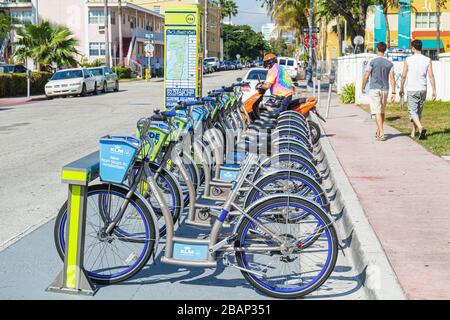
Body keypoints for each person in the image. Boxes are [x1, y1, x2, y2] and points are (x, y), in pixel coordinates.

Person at [399, 39, 437, 140]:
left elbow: (403, 76)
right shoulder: (427, 59)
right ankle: (413, 132)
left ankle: (420, 127)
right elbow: (431, 75)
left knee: (412, 112)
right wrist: (434, 90)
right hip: (423, 89)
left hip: (412, 89)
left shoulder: (408, 59)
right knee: (418, 112)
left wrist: (401, 88)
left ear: (413, 48)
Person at [361, 42, 396, 141]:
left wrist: (363, 87)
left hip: (374, 89)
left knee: (377, 111)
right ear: (384, 50)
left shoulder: (372, 61)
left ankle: (381, 132)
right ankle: (378, 130)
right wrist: (393, 92)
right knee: (382, 111)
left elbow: (366, 75)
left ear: (377, 50)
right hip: (385, 89)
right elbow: (392, 79)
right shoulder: (390, 63)